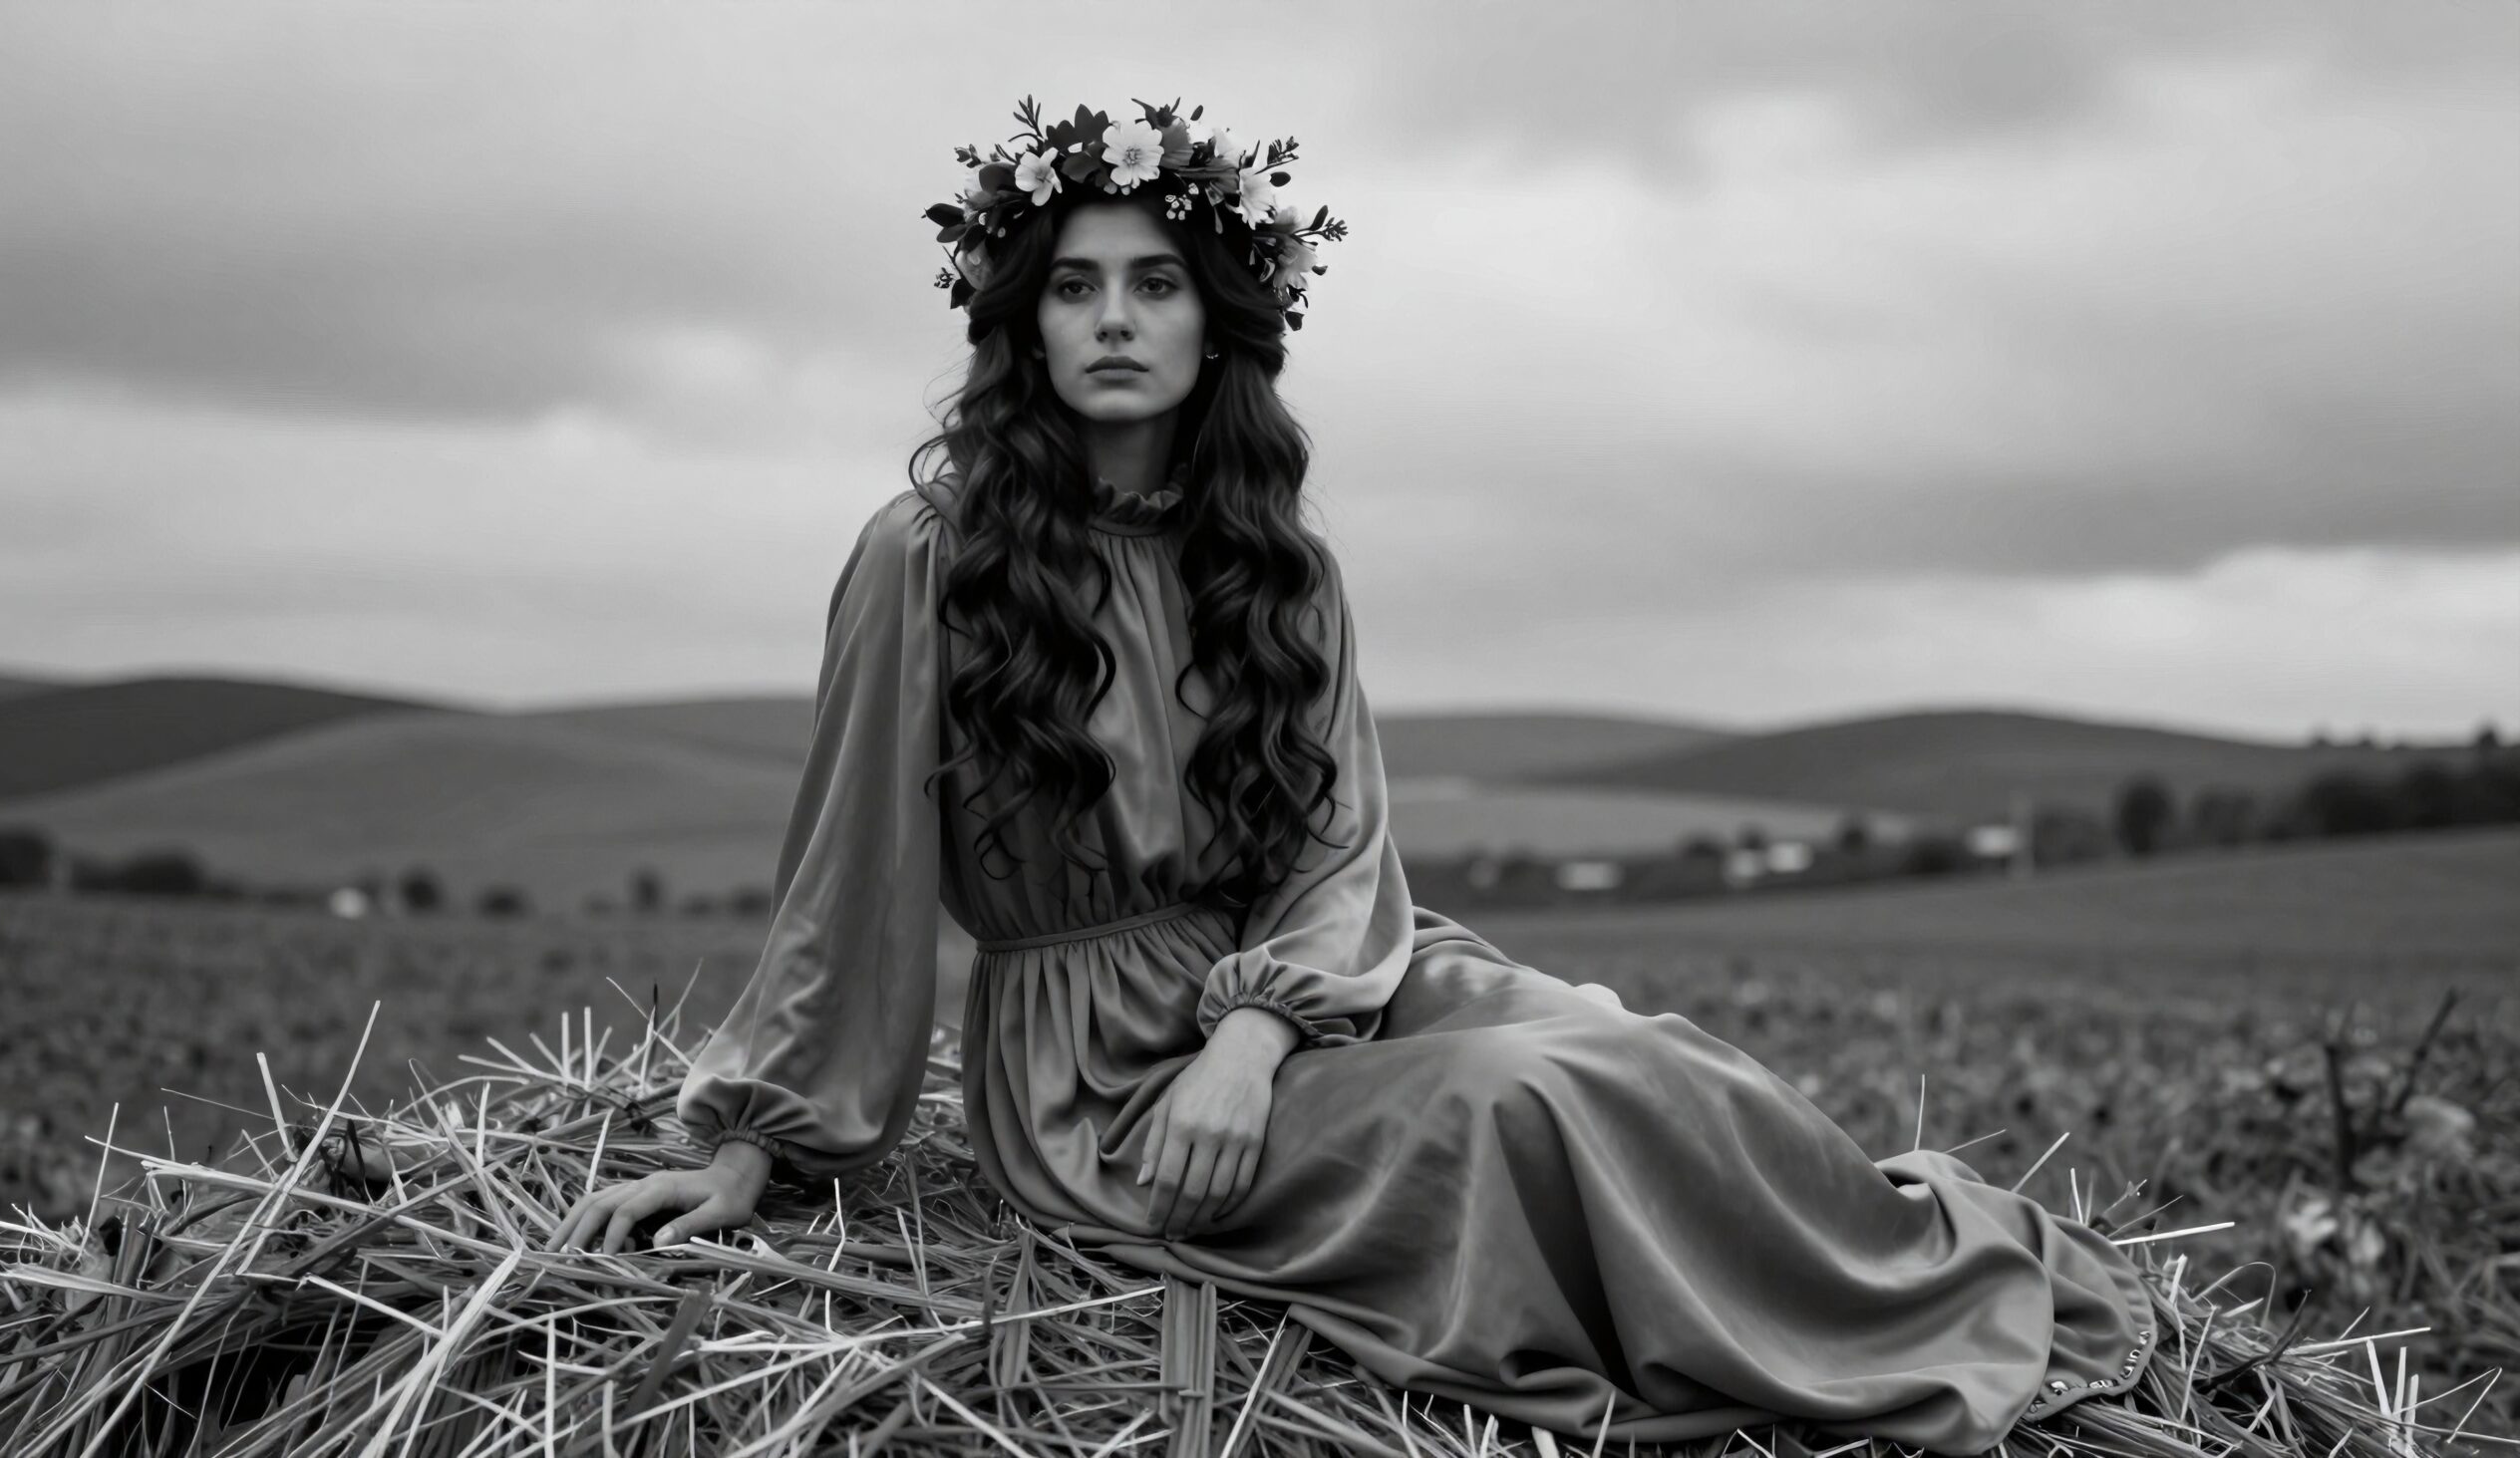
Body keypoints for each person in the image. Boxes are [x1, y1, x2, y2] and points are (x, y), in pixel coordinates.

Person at [547, 99, 2156, 1453]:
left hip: (1323, 975)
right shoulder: (927, 556)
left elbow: (1338, 840)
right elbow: (852, 882)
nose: (1114, 318)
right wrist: (758, 1144)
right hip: (1104, 1079)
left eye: (1157, 282)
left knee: (1637, 1050)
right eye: (1076, 286)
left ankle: (1905, 1276)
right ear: (1021, 319)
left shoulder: (1277, 564)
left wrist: (1261, 1027)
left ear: (1213, 317)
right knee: (1517, 1102)